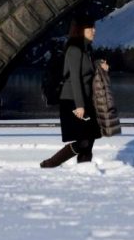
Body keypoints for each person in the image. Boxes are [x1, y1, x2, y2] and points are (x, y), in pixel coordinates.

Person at [40, 15, 104, 168]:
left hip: (85, 99)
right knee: (84, 140)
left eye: (93, 28)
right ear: (81, 30)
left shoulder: (86, 48)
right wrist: (80, 106)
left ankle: (84, 169)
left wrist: (98, 65)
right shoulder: (74, 49)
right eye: (90, 28)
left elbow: (86, 70)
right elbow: (75, 78)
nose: (94, 31)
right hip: (72, 101)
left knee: (91, 137)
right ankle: (51, 163)